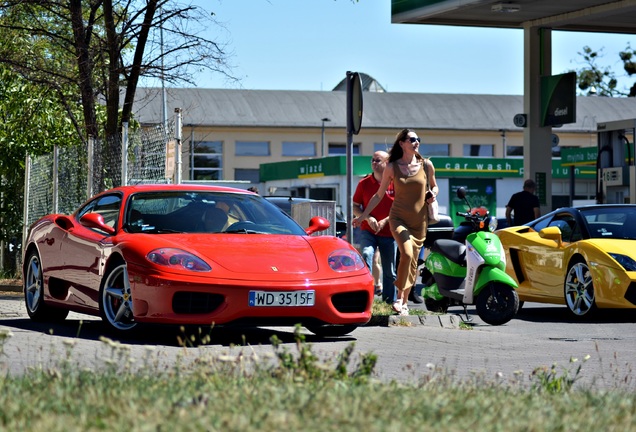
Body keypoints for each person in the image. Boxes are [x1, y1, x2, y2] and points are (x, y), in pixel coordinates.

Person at [352, 129, 438, 316]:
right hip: (398, 218)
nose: (417, 142)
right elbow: (378, 195)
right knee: (406, 254)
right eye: (412, 139)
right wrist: (363, 216)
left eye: (418, 139)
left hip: (419, 220)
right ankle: (399, 297)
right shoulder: (392, 167)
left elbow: (434, 186)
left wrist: (433, 194)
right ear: (402, 143)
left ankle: (404, 302)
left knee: (413, 261)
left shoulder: (427, 165)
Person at [352, 151, 397, 304]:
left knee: (390, 270)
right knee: (366, 254)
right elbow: (355, 207)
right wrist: (369, 218)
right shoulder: (364, 183)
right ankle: (366, 299)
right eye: (372, 160)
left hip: (390, 232)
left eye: (378, 160)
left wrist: (384, 221)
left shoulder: (395, 182)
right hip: (368, 230)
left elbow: (399, 207)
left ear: (387, 162)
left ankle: (389, 302)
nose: (374, 162)